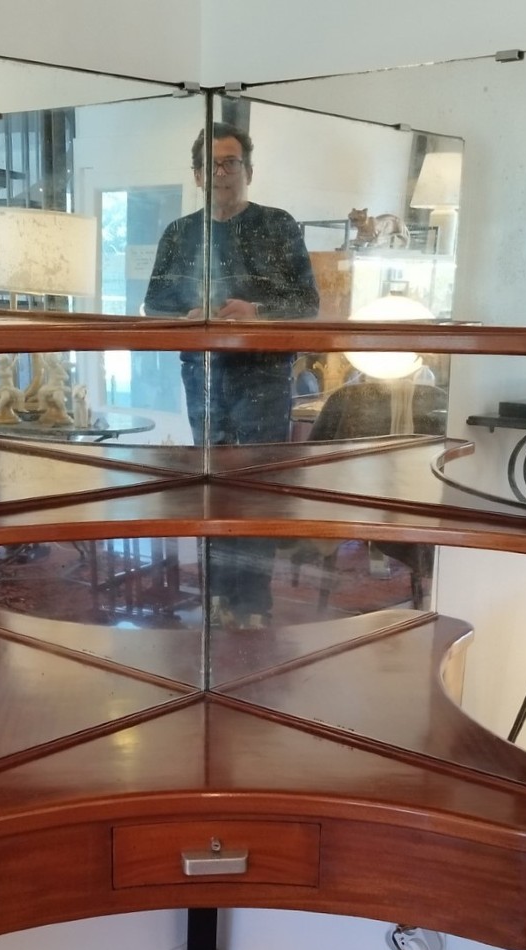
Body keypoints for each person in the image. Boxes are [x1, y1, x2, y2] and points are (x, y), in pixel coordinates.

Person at [144, 122, 319, 626]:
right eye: (213, 164)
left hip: (262, 374)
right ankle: (217, 596)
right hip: (201, 375)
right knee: (212, 485)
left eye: (232, 163)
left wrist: (257, 312)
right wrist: (186, 315)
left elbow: (307, 304)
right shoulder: (179, 234)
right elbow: (153, 306)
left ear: (249, 170)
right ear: (198, 173)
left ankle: (253, 603)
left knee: (255, 487)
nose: (223, 173)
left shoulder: (279, 225)